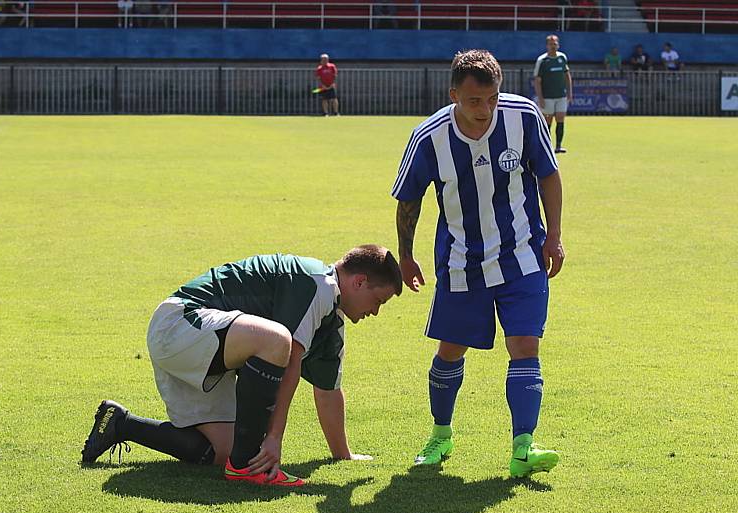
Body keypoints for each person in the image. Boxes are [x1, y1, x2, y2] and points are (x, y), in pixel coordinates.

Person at [82, 246, 402, 486]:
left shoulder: (332, 323)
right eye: (379, 300)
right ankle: (248, 467)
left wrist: (342, 456)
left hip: (208, 347)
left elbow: (328, 391)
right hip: (179, 325)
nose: (376, 311)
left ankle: (122, 423)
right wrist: (273, 438)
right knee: (278, 340)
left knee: (220, 451)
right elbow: (289, 359)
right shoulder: (318, 283)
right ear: (359, 282)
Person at [391, 49, 565, 478]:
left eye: (491, 98)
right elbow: (408, 200)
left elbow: (548, 175)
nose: (485, 109)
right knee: (450, 351)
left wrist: (555, 238)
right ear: (454, 95)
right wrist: (407, 254)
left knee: (525, 346)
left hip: (523, 254)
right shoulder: (429, 138)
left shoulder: (523, 117)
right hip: (460, 262)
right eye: (473, 101)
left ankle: (523, 448)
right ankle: (441, 434)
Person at [533, 34, 572, 154]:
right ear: (547, 46)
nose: (553, 46)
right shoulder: (542, 60)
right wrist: (540, 97)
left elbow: (567, 75)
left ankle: (559, 146)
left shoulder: (562, 58)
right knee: (548, 121)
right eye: (550, 44)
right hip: (547, 96)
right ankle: (547, 146)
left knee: (560, 119)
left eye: (555, 43)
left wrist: (569, 92)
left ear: (558, 45)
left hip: (561, 95)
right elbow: (537, 80)